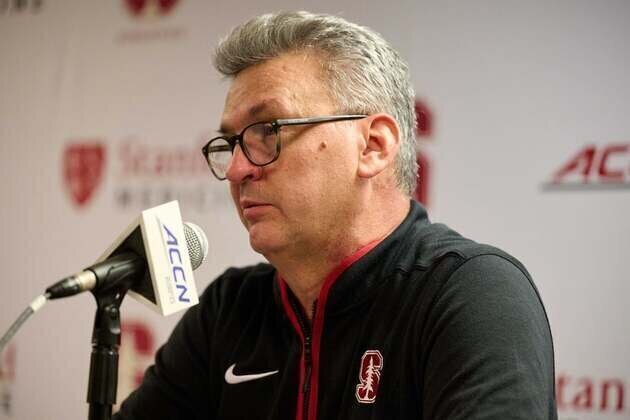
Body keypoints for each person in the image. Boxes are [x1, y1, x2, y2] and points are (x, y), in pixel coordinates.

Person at [114, 11, 557, 419]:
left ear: (373, 147)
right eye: (230, 143)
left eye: (267, 130)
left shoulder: (472, 292)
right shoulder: (230, 308)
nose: (236, 169)